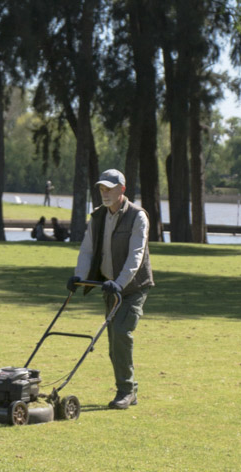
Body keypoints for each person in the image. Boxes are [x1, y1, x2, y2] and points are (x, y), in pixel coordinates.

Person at [67, 169, 153, 410]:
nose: (104, 193)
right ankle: (128, 389)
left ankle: (126, 391)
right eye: (102, 189)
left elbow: (136, 256)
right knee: (113, 341)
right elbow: (87, 250)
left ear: (122, 190)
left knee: (122, 334)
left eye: (109, 188)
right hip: (108, 286)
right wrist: (79, 277)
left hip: (133, 287)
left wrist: (120, 283)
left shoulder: (138, 216)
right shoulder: (97, 217)